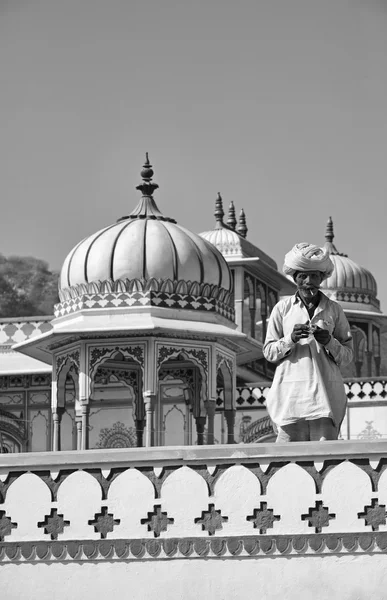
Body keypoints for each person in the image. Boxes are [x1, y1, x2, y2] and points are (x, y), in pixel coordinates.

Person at [263, 242, 353, 442]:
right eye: (303, 275)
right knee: (287, 463)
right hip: (290, 399)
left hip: (325, 399)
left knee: (325, 461)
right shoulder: (282, 309)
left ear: (322, 277)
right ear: (295, 278)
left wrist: (329, 341)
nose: (308, 281)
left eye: (314, 275)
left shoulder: (334, 310)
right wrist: (291, 339)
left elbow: (347, 355)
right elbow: (269, 352)